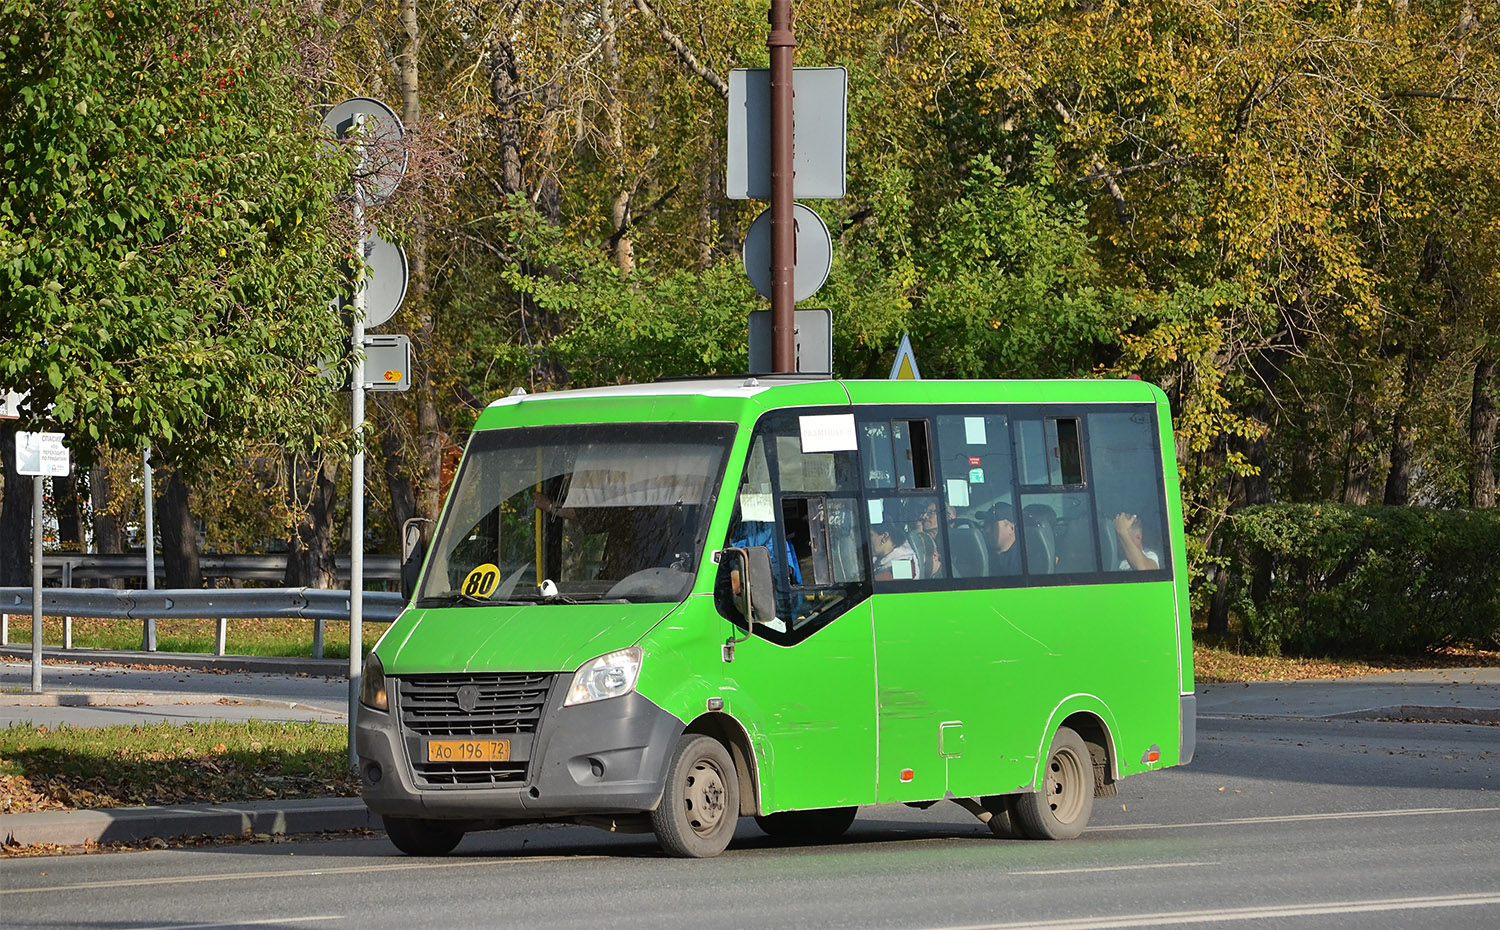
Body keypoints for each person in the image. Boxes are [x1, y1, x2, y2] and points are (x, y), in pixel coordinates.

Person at [980, 503, 1022, 576]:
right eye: (985, 524)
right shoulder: (980, 556)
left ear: (1011, 529)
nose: (986, 530)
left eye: (992, 524)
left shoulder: (1023, 561)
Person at [915, 501, 947, 578]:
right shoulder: (923, 537)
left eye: (931, 512)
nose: (924, 516)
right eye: (924, 512)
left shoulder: (951, 540)